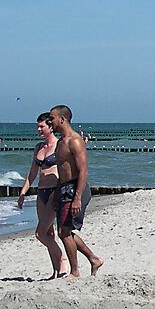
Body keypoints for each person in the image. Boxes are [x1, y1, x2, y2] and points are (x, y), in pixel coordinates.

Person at [48, 105, 104, 277]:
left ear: (62, 119)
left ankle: (75, 272)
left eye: (52, 118)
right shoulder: (60, 143)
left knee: (64, 232)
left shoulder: (75, 141)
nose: (50, 121)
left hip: (75, 189)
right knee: (65, 232)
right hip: (64, 189)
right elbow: (62, 170)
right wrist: (57, 192)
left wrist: (77, 197)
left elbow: (83, 170)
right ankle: (94, 259)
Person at [17, 112, 68, 278]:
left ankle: (62, 260)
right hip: (41, 192)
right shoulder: (39, 147)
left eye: (41, 126)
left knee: (40, 233)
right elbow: (32, 173)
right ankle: (55, 271)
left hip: (54, 191)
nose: (38, 129)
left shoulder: (59, 145)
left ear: (50, 127)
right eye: (37, 126)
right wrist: (23, 192)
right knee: (49, 234)